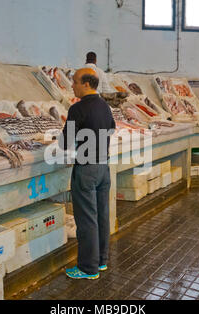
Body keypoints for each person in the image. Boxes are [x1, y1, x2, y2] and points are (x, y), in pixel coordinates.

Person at [60, 68, 115, 279]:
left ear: (86, 84)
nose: (71, 85)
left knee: (86, 220)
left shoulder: (77, 108)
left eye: (74, 82)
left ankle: (87, 268)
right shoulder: (105, 106)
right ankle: (101, 261)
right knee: (101, 215)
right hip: (104, 167)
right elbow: (111, 128)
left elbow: (65, 142)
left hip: (87, 169)